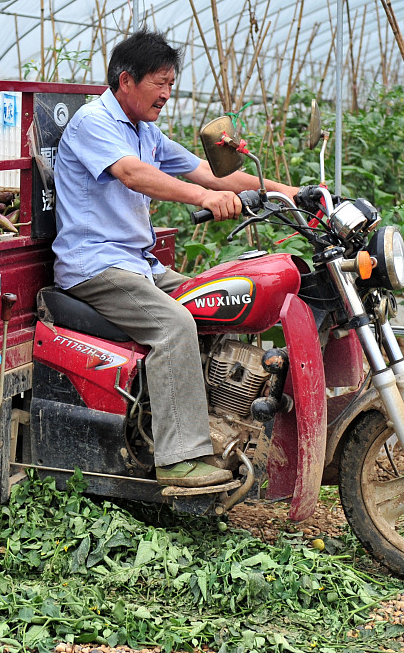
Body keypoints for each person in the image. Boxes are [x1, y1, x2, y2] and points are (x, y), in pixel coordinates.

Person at [52, 30, 297, 488]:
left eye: (171, 83)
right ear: (127, 81)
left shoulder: (145, 129)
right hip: (95, 265)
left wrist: (287, 192)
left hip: (138, 264)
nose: (167, 94)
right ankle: (177, 460)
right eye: (159, 82)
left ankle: (213, 428)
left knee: (217, 305)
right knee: (174, 326)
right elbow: (132, 174)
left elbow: (206, 171)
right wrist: (204, 196)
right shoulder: (94, 123)